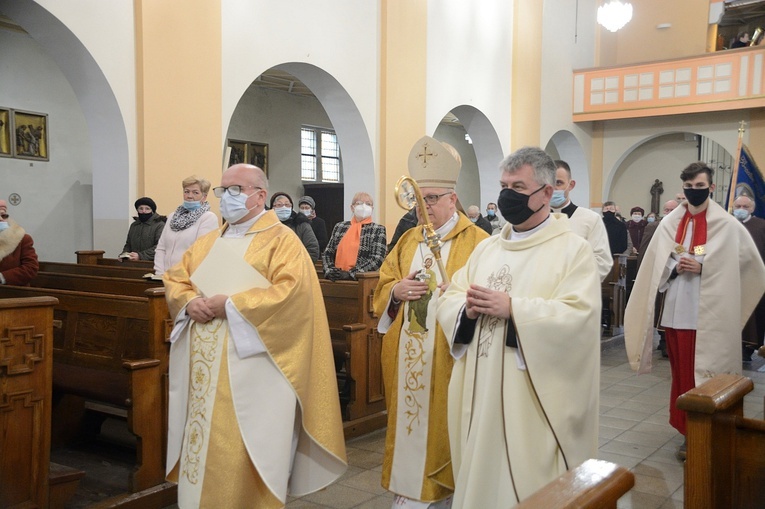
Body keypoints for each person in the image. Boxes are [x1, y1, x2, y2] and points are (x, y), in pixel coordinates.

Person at [163, 164, 347, 508]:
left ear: (260, 195)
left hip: (254, 369)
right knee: (202, 447)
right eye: (223, 191)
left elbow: (293, 296)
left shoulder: (283, 241)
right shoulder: (208, 242)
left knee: (244, 448)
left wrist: (231, 305)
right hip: (205, 366)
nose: (226, 198)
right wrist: (189, 303)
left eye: (236, 190)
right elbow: (177, 277)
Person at [437, 147, 601, 508]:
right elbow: (452, 296)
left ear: (546, 193)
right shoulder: (488, 249)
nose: (507, 195)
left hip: (528, 393)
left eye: (518, 186)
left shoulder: (573, 250)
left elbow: (579, 316)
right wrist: (465, 307)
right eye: (503, 185)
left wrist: (514, 310)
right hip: (481, 386)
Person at [373, 136, 489, 508]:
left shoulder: (480, 243)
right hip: (408, 357)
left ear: (453, 199)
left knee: (446, 432)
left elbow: (484, 297)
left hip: (449, 359)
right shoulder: (408, 240)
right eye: (418, 200)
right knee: (409, 429)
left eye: (433, 199)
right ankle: (408, 495)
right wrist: (395, 293)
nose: (424, 208)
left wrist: (452, 296)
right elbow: (384, 283)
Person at [624, 162, 765, 461]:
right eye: (689, 187)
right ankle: (687, 429)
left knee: (702, 373)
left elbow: (747, 266)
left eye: (700, 187)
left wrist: (704, 266)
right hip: (677, 310)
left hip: (707, 315)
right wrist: (676, 266)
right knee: (681, 373)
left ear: (711, 188)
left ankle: (707, 429)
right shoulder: (671, 222)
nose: (694, 192)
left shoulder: (726, 225)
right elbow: (664, 257)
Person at [552, 160, 613, 281]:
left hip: (575, 291)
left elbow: (602, 262)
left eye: (558, 183)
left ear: (571, 185)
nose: (553, 188)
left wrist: (567, 280)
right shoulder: (533, 219)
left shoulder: (590, 219)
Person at [636, 199, 679, 358]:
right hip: (661, 273)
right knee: (660, 307)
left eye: (672, 210)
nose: (669, 213)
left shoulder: (685, 227)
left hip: (680, 274)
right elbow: (645, 251)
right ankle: (663, 340)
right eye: (667, 210)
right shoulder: (654, 226)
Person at [153, 176, 219, 276]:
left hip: (188, 277)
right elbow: (161, 248)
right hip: (166, 277)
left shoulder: (208, 218)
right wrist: (160, 273)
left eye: (195, 192)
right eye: (186, 191)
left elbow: (201, 251)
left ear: (204, 197)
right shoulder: (172, 217)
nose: (189, 196)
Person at [322, 191, 387, 281]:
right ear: (352, 207)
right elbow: (327, 254)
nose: (364, 206)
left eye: (368, 204)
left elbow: (377, 259)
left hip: (362, 281)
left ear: (372, 208)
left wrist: (351, 274)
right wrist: (330, 271)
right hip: (336, 278)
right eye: (359, 203)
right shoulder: (340, 226)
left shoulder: (378, 229)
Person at [733, 195, 765, 361]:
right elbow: (705, 247)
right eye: (738, 205)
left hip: (754, 279)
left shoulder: (761, 226)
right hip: (729, 279)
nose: (741, 209)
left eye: (745, 206)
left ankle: (749, 348)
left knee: (754, 314)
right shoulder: (726, 225)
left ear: (752, 208)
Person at [269, 192, 320, 261]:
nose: (284, 207)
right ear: (273, 207)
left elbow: (312, 249)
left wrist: (299, 266)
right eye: (279, 205)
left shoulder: (302, 224)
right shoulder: (266, 225)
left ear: (291, 207)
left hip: (297, 268)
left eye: (287, 204)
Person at [0, 199, 39, 285]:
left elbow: (31, 268)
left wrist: (2, 277)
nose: (1, 219)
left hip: (14, 293)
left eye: (3, 215)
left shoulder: (22, 239)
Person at [121, 197, 165, 261]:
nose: (144, 211)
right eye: (141, 208)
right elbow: (128, 244)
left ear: (152, 211)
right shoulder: (134, 225)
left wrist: (140, 256)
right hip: (134, 264)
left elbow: (160, 246)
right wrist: (124, 255)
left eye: (147, 209)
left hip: (153, 263)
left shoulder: (160, 225)